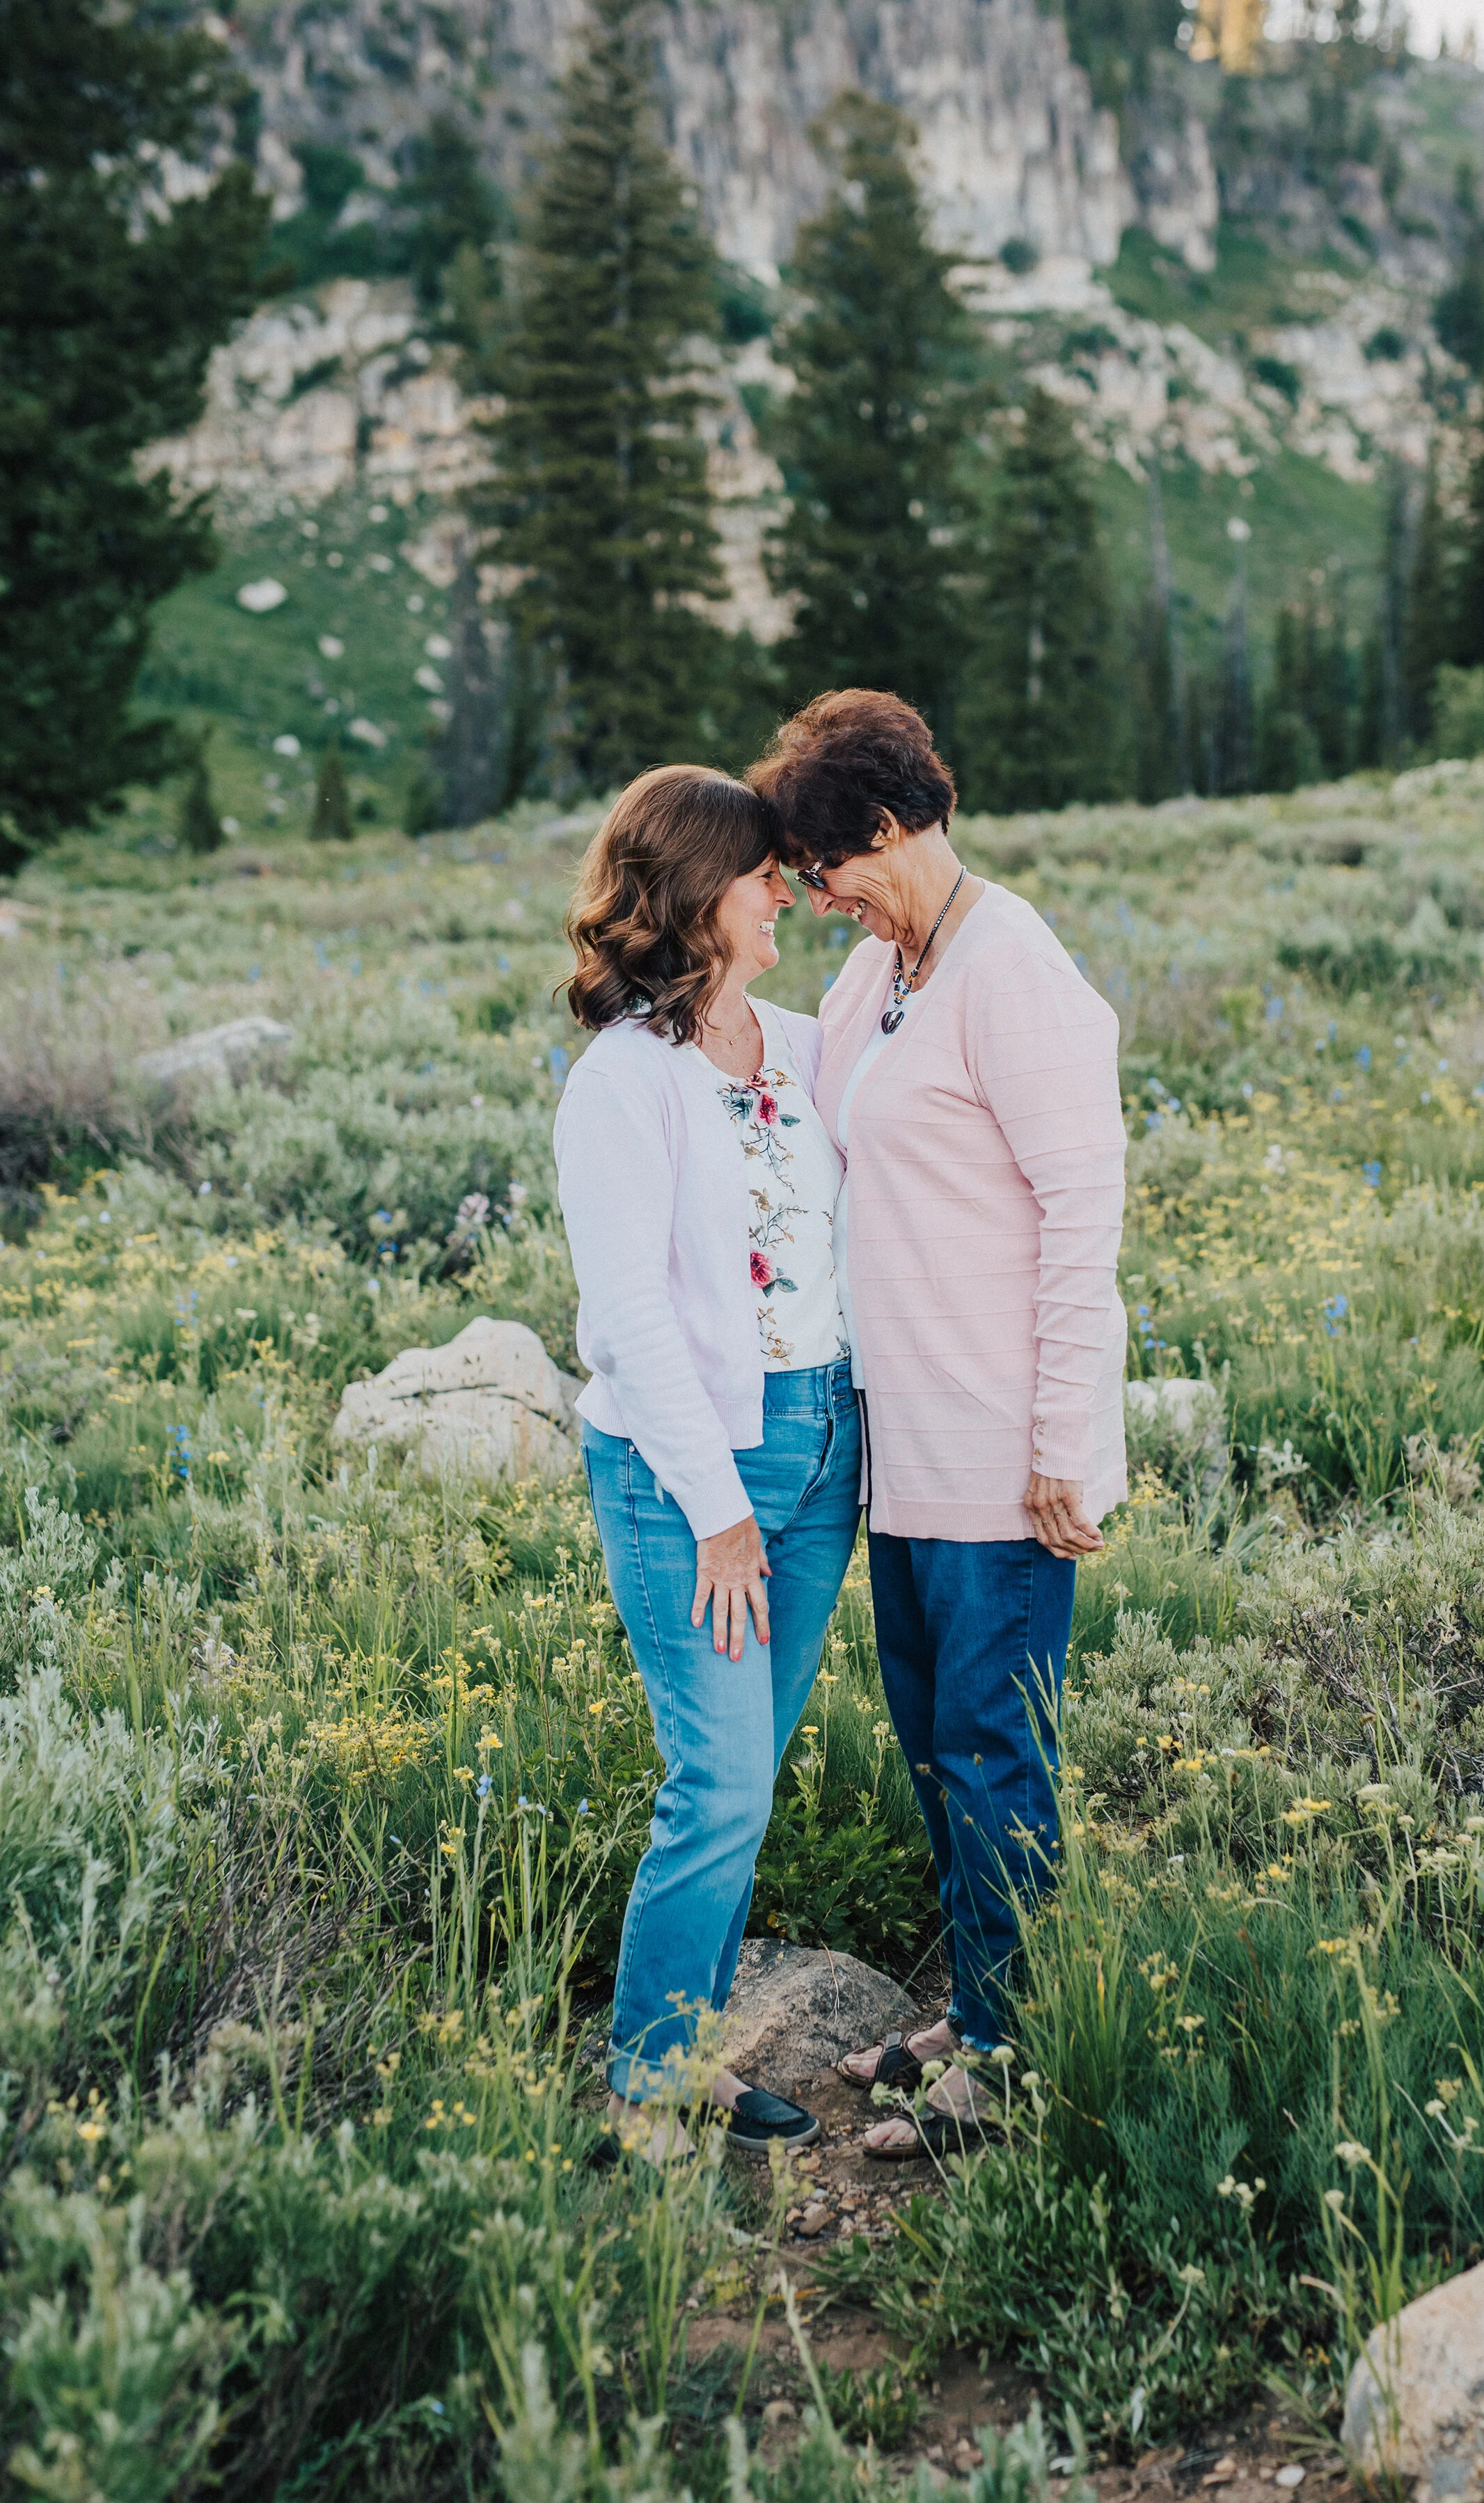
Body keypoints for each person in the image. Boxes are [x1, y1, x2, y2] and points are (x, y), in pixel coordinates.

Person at [749, 691, 1126, 2158]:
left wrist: (1065, 1444)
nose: (817, 896)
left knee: (992, 1748)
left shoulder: (1011, 970)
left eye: (826, 868)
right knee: (932, 1744)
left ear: (892, 830)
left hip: (998, 1447)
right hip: (898, 1442)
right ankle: (979, 2003)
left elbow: (1083, 1217)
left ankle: (1015, 2052)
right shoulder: (873, 980)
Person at [553, 764, 861, 2158]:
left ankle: (687, 2044)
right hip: (690, 1474)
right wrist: (721, 1511)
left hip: (819, 1441)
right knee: (721, 1779)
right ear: (697, 896)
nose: (784, 896)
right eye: (762, 878)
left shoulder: (800, 1042)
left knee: (756, 1760)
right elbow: (629, 1318)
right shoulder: (622, 1082)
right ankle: (649, 2069)